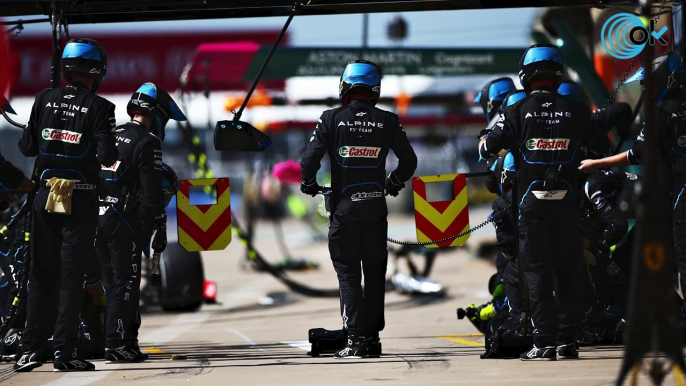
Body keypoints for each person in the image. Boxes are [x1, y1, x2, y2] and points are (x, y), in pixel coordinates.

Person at [478, 44, 610, 361]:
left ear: (525, 75)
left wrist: (487, 138)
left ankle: (545, 343)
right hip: (567, 204)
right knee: (568, 269)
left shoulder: (515, 111)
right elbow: (599, 147)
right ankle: (567, 341)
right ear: (558, 73)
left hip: (531, 205)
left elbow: (487, 149)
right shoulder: (578, 110)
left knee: (537, 272)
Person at [300, 60, 417, 358]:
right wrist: (392, 182)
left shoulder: (330, 118)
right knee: (375, 275)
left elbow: (308, 160)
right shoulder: (388, 120)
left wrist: (308, 183)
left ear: (345, 87)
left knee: (349, 276)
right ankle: (373, 339)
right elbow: (409, 162)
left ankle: (356, 341)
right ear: (374, 89)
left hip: (345, 211)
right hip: (376, 210)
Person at [15, 38, 118, 372]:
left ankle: (30, 349)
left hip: (44, 196)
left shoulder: (43, 98)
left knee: (40, 275)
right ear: (97, 71)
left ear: (66, 69)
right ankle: (65, 353)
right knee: (72, 276)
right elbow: (108, 157)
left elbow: (27, 147)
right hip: (80, 197)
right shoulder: (102, 108)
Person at [578, 52, 686, 309]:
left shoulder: (660, 112)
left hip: (681, 189)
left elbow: (637, 153)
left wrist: (598, 164)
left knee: (683, 256)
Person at [96, 83, 185, 362]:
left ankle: (127, 341)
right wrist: (159, 224)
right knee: (126, 282)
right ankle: (117, 345)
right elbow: (152, 192)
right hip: (123, 222)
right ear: (157, 113)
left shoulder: (110, 134)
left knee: (112, 284)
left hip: (94, 218)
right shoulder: (148, 142)